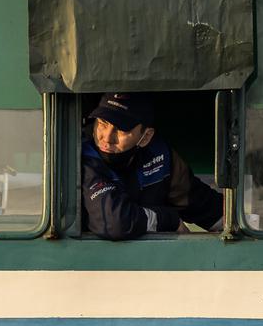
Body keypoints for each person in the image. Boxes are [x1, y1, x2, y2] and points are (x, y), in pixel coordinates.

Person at [82, 93, 224, 240]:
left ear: (146, 137)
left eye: (122, 129)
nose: (107, 138)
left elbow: (204, 206)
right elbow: (115, 223)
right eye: (102, 123)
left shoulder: (158, 155)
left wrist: (236, 223)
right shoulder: (82, 155)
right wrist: (168, 221)